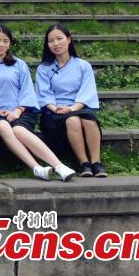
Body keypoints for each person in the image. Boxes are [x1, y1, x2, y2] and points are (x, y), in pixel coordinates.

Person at [0, 25, 76, 182]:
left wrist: (18, 110)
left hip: (21, 112)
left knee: (18, 129)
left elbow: (27, 91)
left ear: (10, 43)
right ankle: (36, 168)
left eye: (5, 41)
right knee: (3, 126)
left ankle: (59, 166)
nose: (1, 45)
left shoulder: (19, 64)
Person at [36, 24, 105, 178]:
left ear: (68, 40)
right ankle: (83, 163)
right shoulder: (44, 68)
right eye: (51, 41)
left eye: (59, 38)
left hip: (78, 108)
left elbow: (87, 92)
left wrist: (72, 108)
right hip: (54, 112)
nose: (55, 43)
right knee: (72, 120)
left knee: (89, 119)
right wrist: (56, 108)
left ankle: (96, 163)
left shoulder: (83, 66)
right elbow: (44, 95)